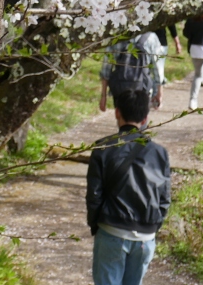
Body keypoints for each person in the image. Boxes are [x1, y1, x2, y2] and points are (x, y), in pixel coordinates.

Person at [86, 89, 171, 285]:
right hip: (145, 234)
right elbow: (164, 199)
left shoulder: (102, 148)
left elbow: (94, 196)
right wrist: (152, 227)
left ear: (117, 112)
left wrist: (96, 224)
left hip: (112, 230)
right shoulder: (159, 153)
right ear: (146, 118)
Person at [100, 31, 164, 113]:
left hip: (120, 90)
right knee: (140, 119)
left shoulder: (116, 37)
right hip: (143, 89)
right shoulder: (150, 37)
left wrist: (103, 96)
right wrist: (159, 92)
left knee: (123, 119)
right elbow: (157, 68)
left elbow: (106, 69)